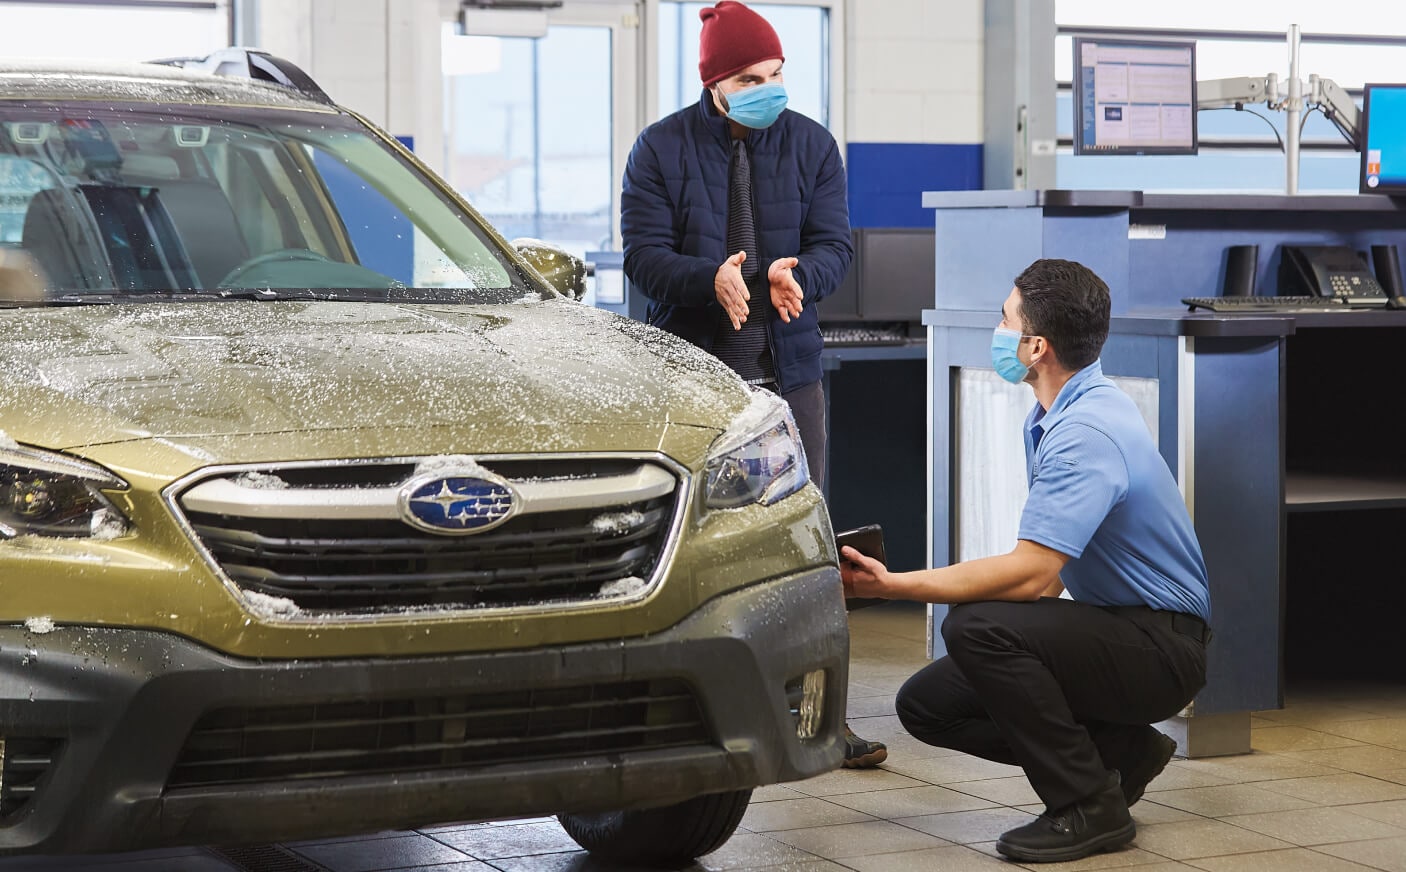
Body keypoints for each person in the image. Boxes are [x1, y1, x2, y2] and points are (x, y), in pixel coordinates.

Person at [840, 259, 1211, 863]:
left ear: (1036, 346)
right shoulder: (1058, 415)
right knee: (928, 705)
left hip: (1163, 650)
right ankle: (1123, 755)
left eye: (1004, 318)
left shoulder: (1085, 431)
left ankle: (1088, 805)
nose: (998, 328)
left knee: (973, 624)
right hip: (1127, 632)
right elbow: (1049, 580)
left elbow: (1033, 573)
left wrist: (894, 585)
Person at [621, 1, 885, 768]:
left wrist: (792, 276)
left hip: (790, 372)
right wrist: (711, 280)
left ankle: (825, 719)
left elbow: (834, 244)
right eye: (748, 78)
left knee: (803, 542)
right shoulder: (660, 150)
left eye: (775, 75)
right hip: (696, 376)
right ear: (714, 84)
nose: (768, 89)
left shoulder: (812, 147)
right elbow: (643, 256)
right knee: (699, 544)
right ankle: (680, 710)